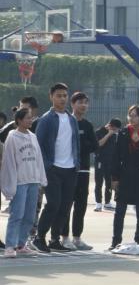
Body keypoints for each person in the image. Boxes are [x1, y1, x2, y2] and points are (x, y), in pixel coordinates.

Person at [32, 84, 80, 254]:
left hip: (70, 169)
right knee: (53, 204)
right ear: (51, 97)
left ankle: (54, 239)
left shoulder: (72, 119)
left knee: (65, 206)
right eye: (59, 95)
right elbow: (38, 144)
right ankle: (39, 238)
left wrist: (76, 163)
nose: (62, 99)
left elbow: (76, 143)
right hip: (53, 169)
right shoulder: (46, 119)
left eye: (65, 95)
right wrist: (47, 166)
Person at [110, 105, 139, 251]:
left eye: (135, 115)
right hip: (125, 176)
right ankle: (116, 241)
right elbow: (116, 156)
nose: (131, 118)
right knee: (119, 211)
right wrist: (114, 178)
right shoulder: (123, 133)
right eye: (130, 115)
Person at [1, 108, 46, 257]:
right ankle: (10, 246)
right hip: (20, 182)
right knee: (17, 214)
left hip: (33, 181)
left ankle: (21, 244)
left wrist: (41, 178)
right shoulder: (12, 137)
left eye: (31, 117)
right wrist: (10, 184)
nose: (30, 120)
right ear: (19, 120)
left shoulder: (33, 136)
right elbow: (8, 162)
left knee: (29, 216)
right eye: (27, 118)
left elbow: (38, 158)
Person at [57, 92, 99, 250]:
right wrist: (80, 144)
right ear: (72, 104)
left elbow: (94, 146)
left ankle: (77, 238)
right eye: (80, 102)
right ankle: (64, 237)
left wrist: (80, 145)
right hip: (68, 169)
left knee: (81, 204)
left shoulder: (88, 125)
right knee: (66, 203)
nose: (83, 105)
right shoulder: (66, 122)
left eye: (86, 102)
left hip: (84, 170)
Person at [94, 118, 121, 211]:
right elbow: (99, 144)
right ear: (111, 126)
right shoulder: (99, 132)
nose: (116, 131)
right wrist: (108, 134)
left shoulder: (114, 135)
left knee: (109, 183)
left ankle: (107, 203)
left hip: (110, 162)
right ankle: (98, 203)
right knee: (99, 183)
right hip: (100, 161)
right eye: (116, 129)